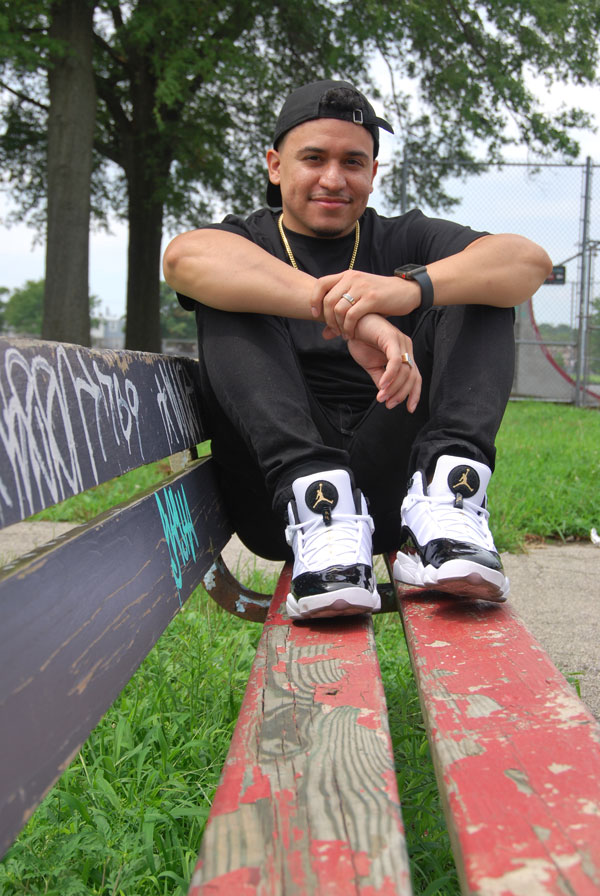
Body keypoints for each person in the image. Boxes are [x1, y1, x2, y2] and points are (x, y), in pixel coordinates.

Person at [163, 79, 552, 620]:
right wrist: (358, 318)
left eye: (353, 162)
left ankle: (452, 501)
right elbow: (183, 259)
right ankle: (319, 505)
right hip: (280, 501)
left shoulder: (404, 238)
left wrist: (407, 290)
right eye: (313, 158)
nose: (333, 178)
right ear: (275, 166)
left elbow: (527, 262)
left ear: (373, 172)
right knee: (228, 295)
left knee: (481, 285)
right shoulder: (246, 240)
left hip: (394, 495)